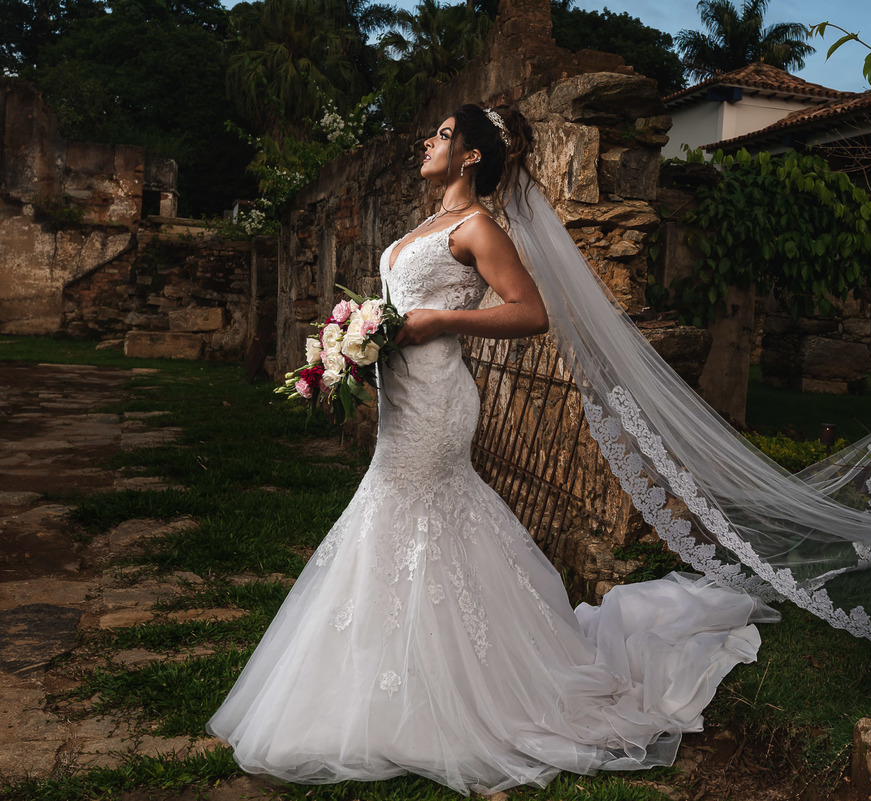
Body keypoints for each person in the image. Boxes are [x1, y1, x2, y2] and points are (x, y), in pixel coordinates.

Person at [206, 104, 780, 796]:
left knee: (414, 513)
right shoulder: (424, 227)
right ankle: (396, 673)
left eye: (444, 135)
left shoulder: (479, 227)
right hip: (401, 397)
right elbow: (391, 308)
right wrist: (348, 352)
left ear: (472, 154)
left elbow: (530, 311)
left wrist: (442, 319)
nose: (428, 141)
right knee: (397, 514)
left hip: (440, 400)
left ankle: (457, 694)